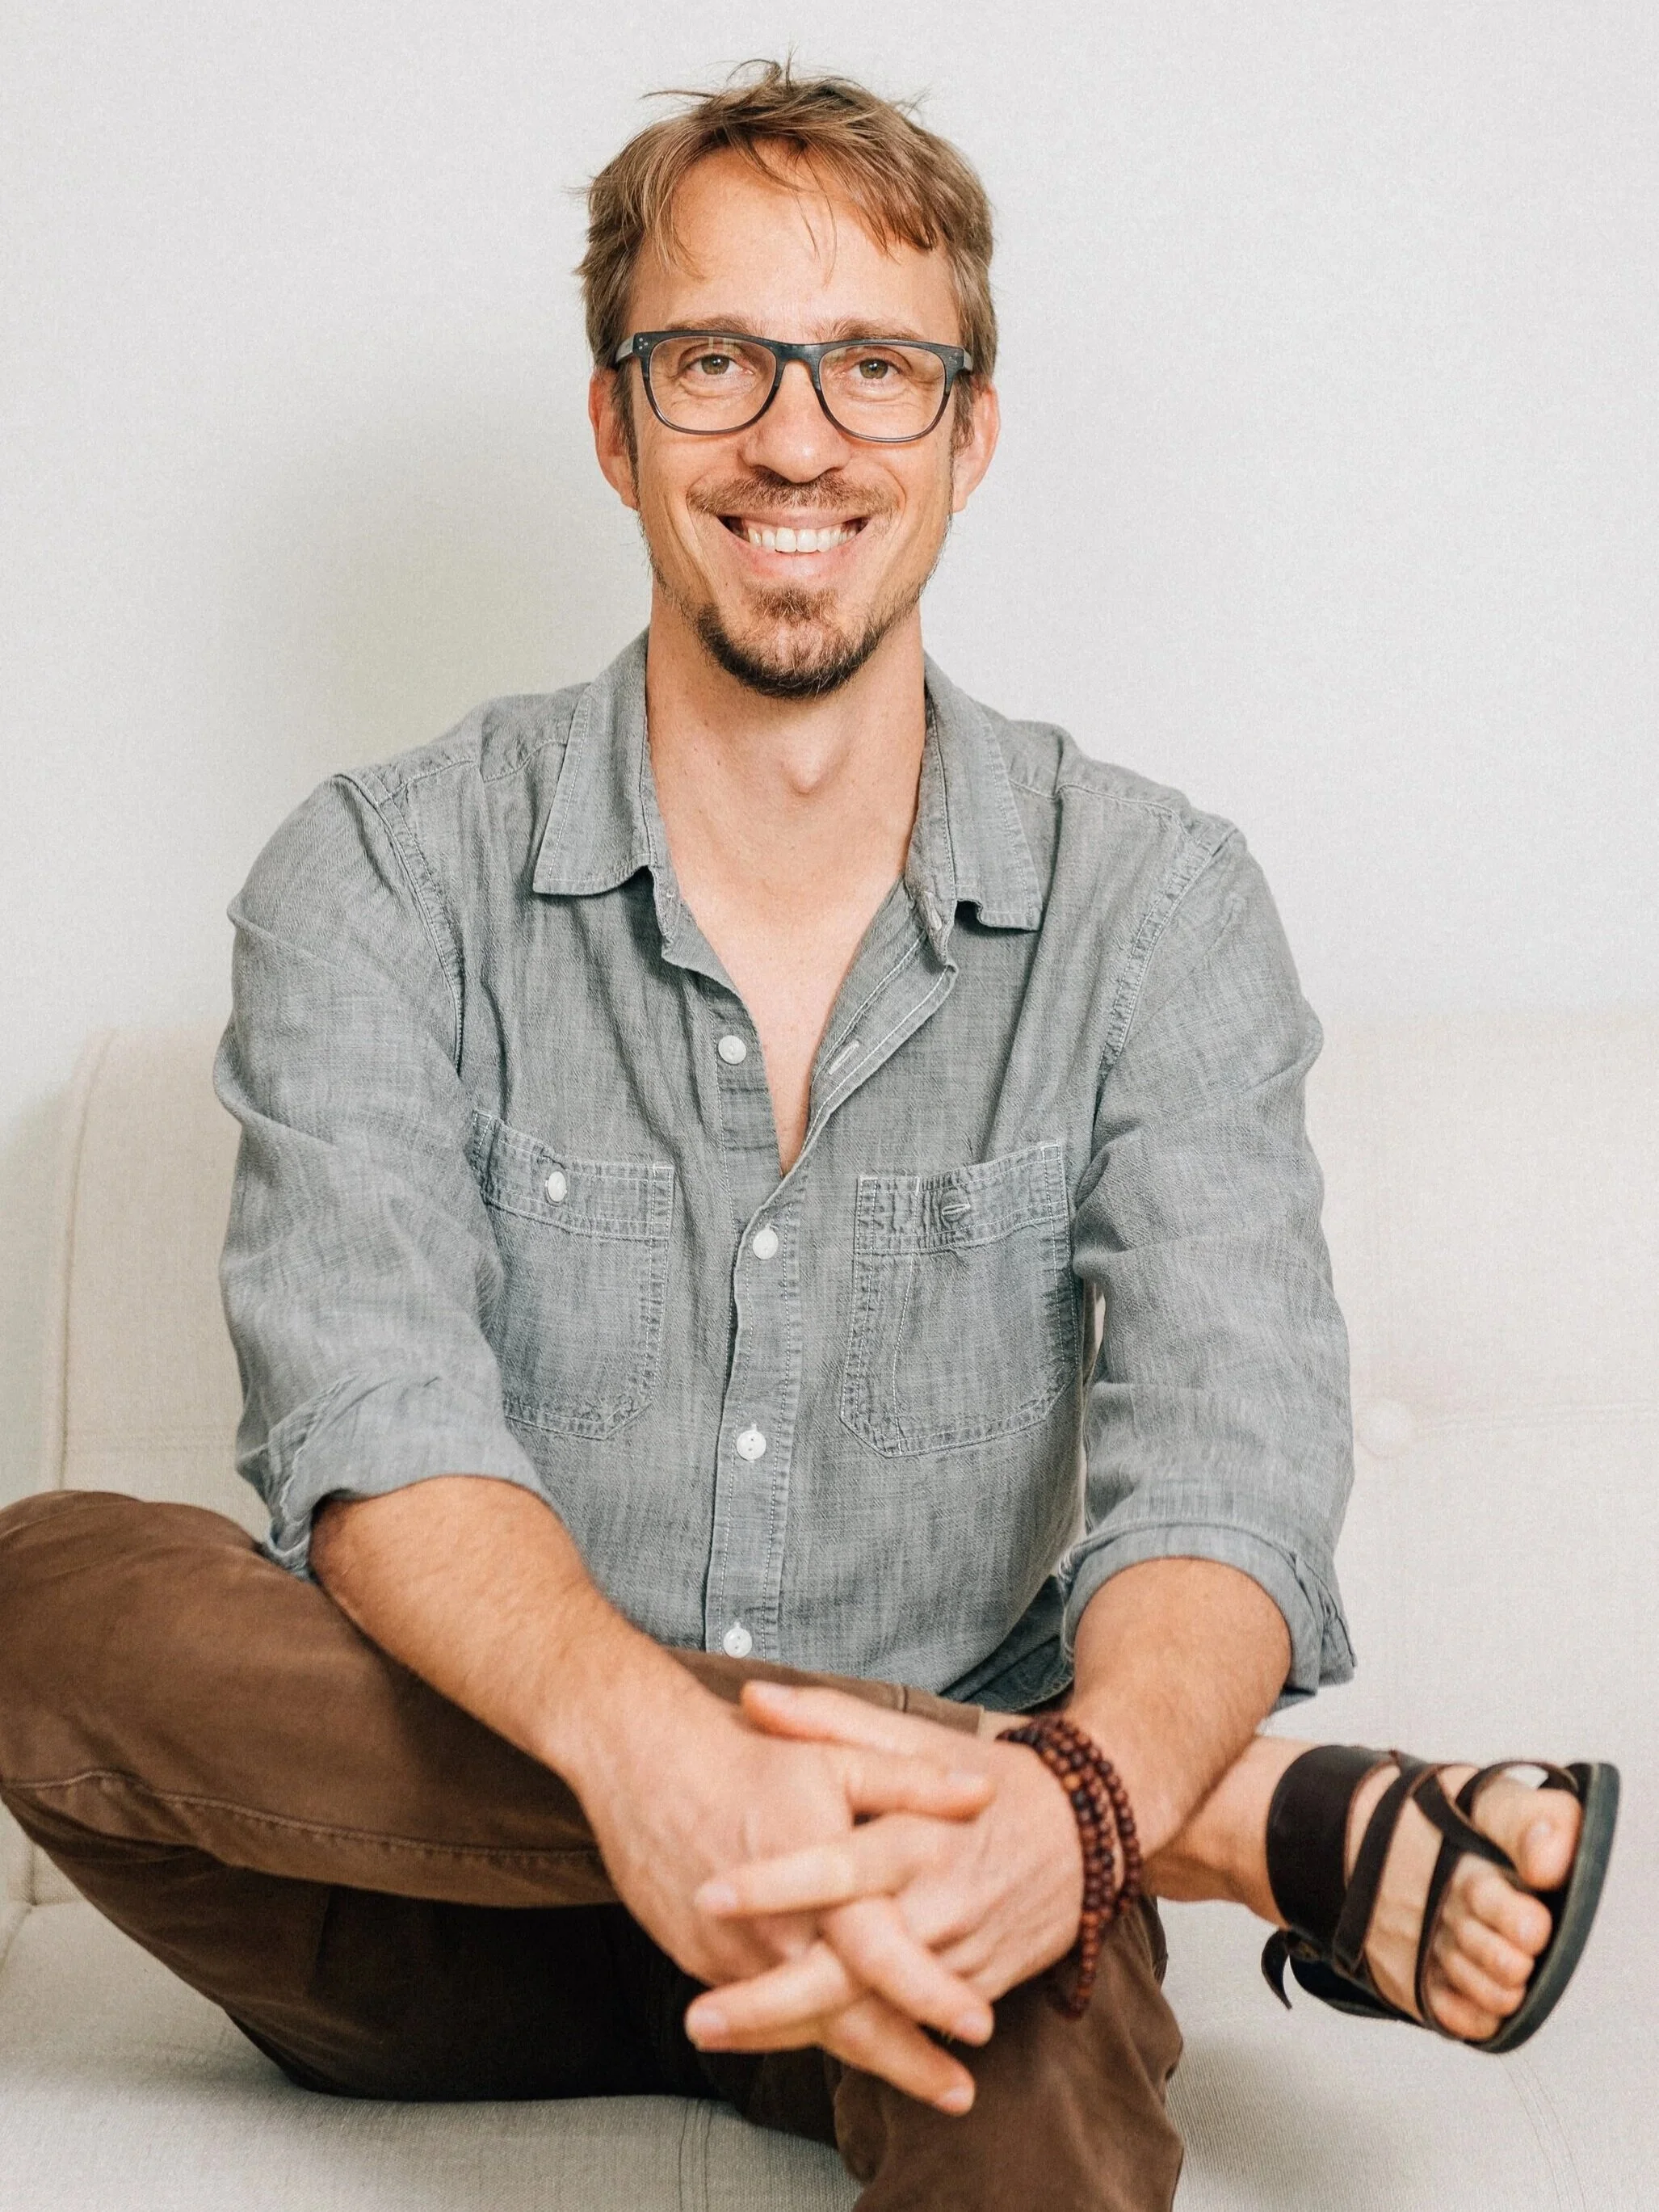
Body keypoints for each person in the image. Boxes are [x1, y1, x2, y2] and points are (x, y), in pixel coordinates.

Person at [0, 61, 1615, 2212]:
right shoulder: (383, 874)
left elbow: (1223, 1450)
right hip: (409, 1896)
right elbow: (373, 1426)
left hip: (971, 1896)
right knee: (47, 1591)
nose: (796, 435)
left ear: (967, 431)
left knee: (1035, 1983)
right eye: (713, 362)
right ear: (612, 421)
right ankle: (1251, 1829)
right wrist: (1113, 1803)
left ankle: (1101, 1818)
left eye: (872, 366)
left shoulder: (1154, 904)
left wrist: (1078, 1808)